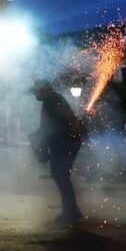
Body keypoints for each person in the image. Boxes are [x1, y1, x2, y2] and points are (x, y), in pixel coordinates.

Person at [30, 81, 85, 223]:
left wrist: (72, 134)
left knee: (60, 175)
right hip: (63, 142)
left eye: (36, 91)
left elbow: (68, 118)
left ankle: (71, 212)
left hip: (63, 143)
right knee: (61, 175)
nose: (35, 94)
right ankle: (72, 210)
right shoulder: (51, 100)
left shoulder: (53, 100)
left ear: (44, 90)